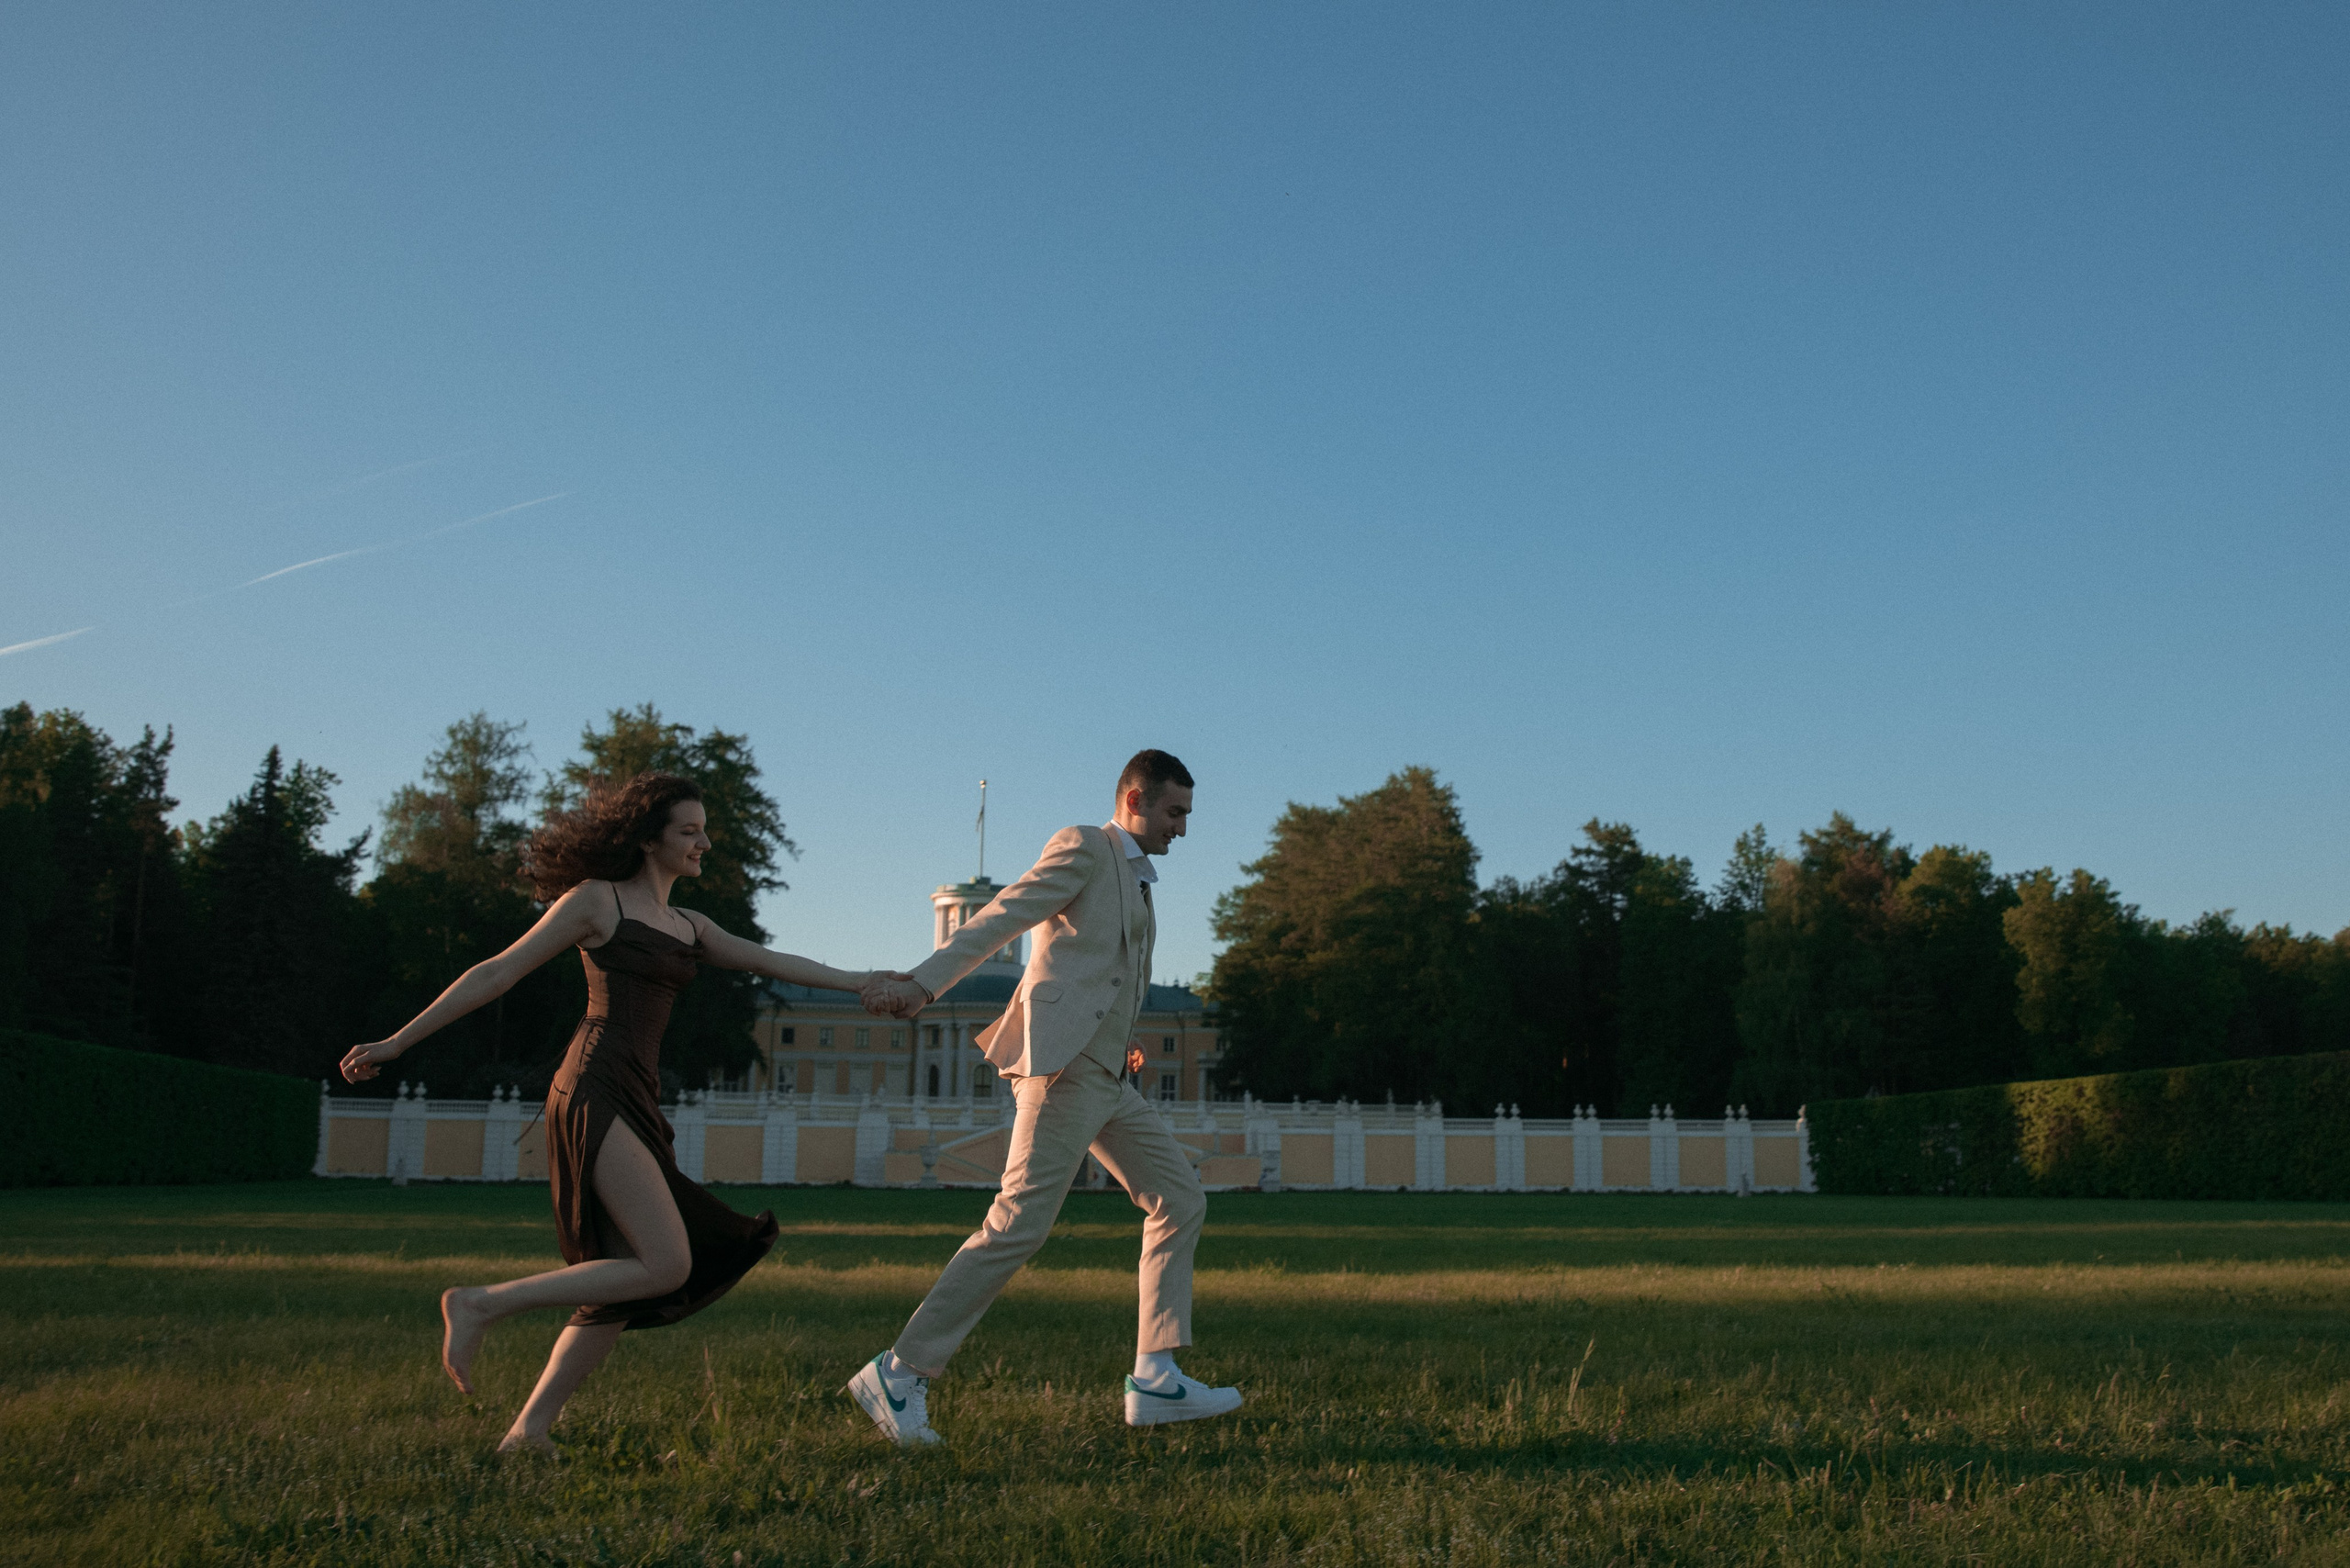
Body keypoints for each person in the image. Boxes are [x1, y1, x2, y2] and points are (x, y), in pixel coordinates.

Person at [340, 771, 898, 1454]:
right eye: (688, 832)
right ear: (647, 840)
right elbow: (497, 972)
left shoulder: (689, 925)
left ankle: (528, 1433)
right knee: (664, 1264)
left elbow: (776, 959)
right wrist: (398, 1042)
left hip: (635, 1089)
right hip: (594, 1083)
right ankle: (480, 1302)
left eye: (703, 830)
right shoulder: (596, 903)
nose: (704, 843)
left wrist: (865, 983)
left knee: (627, 1271)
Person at [846, 748, 1242, 1446]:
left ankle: (1156, 1378)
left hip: (1104, 1075)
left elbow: (1103, 973)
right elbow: (1003, 916)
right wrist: (921, 984)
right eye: (1174, 812)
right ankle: (900, 1372)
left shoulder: (1136, 879)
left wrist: (1120, 1040)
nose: (1182, 828)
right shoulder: (1085, 847)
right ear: (1134, 800)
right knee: (1018, 1223)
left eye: (1186, 814)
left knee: (1179, 1198)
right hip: (1061, 1070)